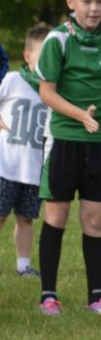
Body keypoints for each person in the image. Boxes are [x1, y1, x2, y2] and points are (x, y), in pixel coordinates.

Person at [35, 0, 101, 316]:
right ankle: (48, 296)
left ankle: (97, 297)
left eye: (100, 1)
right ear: (70, 2)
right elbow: (46, 92)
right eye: (87, 1)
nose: (94, 8)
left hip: (96, 143)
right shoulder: (57, 40)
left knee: (94, 219)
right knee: (57, 216)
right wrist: (80, 115)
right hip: (63, 138)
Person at [0, 24, 50, 277]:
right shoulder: (12, 80)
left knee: (26, 218)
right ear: (28, 56)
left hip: (33, 170)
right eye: (42, 57)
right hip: (6, 166)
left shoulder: (54, 91)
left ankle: (24, 266)